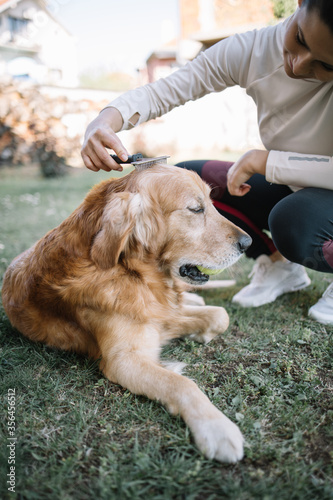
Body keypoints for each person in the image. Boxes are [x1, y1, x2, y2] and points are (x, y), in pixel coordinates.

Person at [81, 0, 333, 325]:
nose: (298, 66)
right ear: (299, 3)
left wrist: (269, 161)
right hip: (299, 184)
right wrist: (104, 121)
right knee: (197, 180)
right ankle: (281, 268)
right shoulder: (253, 49)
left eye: (326, 65)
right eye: (299, 38)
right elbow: (167, 89)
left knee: (294, 222)